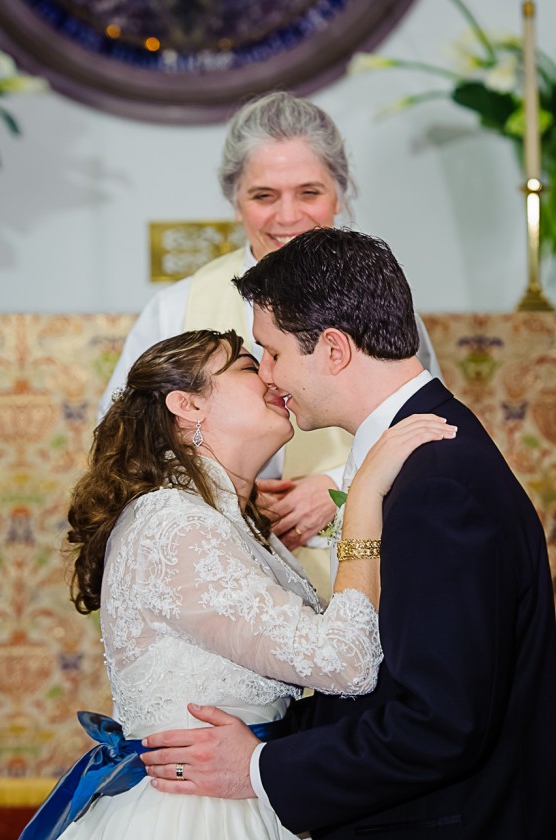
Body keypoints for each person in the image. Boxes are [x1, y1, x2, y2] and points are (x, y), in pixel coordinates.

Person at [141, 229, 556, 840]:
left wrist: (262, 768)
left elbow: (439, 723)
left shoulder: (437, 482)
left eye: (272, 350)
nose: (268, 374)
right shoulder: (421, 453)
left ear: (333, 347)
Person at [0, 328, 456, 840]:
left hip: (242, 798)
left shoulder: (231, 520)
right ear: (187, 405)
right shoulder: (172, 523)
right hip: (192, 834)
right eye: (243, 365)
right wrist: (362, 497)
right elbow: (346, 662)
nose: (270, 376)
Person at [99, 91, 442, 598]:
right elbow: (121, 451)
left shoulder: (384, 303)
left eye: (309, 192)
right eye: (263, 196)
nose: (288, 216)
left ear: (340, 194)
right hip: (218, 583)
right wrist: (222, 492)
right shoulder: (174, 309)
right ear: (234, 202)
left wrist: (339, 488)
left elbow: (425, 430)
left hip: (367, 575)